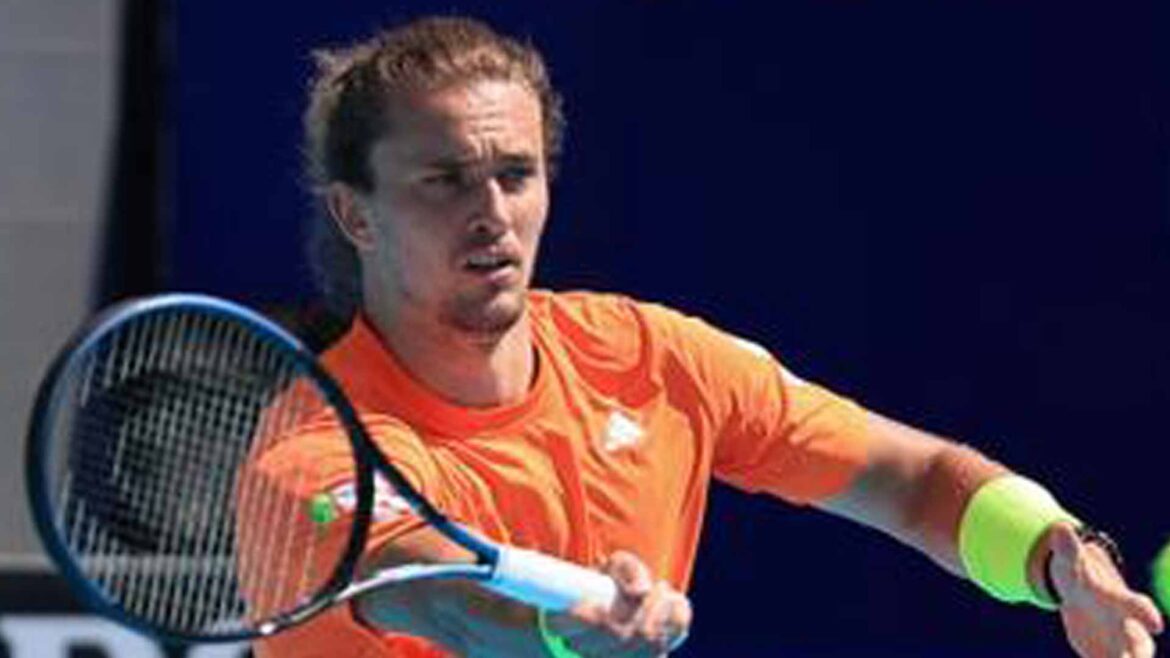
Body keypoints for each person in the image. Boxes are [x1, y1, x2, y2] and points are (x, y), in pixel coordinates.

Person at [250, 15, 1164, 658]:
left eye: (516, 174)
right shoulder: (309, 456)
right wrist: (559, 634)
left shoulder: (649, 361)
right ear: (356, 215)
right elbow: (446, 603)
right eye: (444, 180)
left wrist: (1058, 556)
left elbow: (915, 481)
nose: (493, 213)